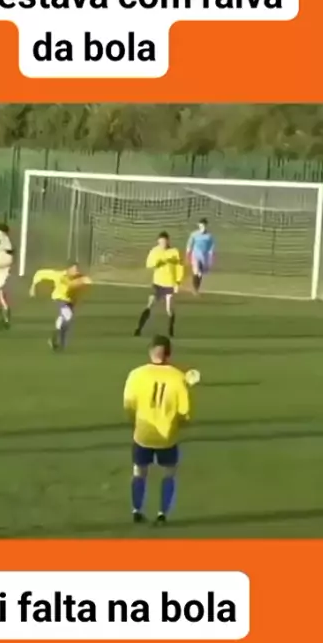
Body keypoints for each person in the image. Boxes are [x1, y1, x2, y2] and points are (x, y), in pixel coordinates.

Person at [123, 334, 190, 524]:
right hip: (167, 436)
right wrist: (178, 424)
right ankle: (162, 514)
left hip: (143, 434)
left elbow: (128, 405)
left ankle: (137, 510)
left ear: (150, 352)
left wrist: (135, 421)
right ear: (169, 354)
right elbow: (185, 412)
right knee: (169, 473)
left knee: (139, 472)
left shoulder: (136, 374)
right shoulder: (178, 377)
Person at [29, 263, 92, 350]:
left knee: (65, 322)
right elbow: (40, 273)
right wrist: (33, 286)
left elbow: (87, 282)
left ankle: (58, 342)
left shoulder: (79, 278)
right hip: (60, 299)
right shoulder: (59, 275)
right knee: (67, 316)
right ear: (68, 269)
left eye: (77, 270)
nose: (75, 272)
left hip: (70, 302)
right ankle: (55, 339)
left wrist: (84, 283)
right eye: (74, 270)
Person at [134, 231, 183, 338]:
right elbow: (149, 265)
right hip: (158, 283)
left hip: (170, 284)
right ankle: (139, 329)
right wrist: (158, 263)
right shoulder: (154, 251)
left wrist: (178, 282)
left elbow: (179, 267)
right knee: (150, 304)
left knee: (169, 309)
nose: (163, 244)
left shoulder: (174, 252)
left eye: (164, 242)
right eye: (161, 242)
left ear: (168, 241)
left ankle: (170, 330)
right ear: (158, 242)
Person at [186, 218, 215, 294]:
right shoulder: (194, 234)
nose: (203, 228)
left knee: (200, 273)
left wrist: (211, 256)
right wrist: (188, 253)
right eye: (201, 226)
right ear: (198, 226)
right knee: (196, 271)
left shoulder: (209, 236)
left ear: (206, 226)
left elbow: (211, 247)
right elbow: (189, 243)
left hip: (204, 256)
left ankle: (197, 288)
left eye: (204, 226)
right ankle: (194, 289)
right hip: (195, 255)